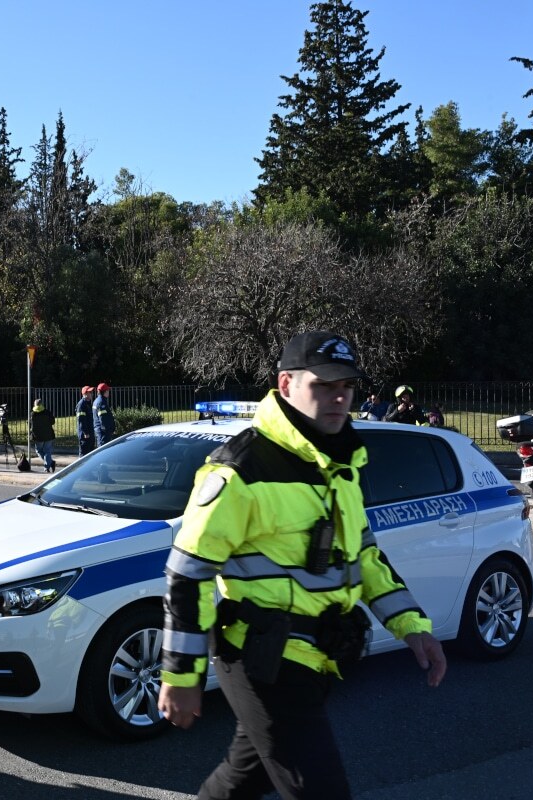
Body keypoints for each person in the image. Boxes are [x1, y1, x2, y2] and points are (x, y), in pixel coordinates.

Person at [158, 330, 447, 800]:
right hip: (263, 658)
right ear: (286, 383)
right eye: (324, 385)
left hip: (321, 655)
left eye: (348, 387)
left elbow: (365, 557)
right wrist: (181, 675)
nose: (339, 397)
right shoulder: (240, 469)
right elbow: (187, 574)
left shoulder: (341, 463)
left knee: (241, 778)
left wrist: (413, 626)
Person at [30, 398, 57, 473]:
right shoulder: (47, 412)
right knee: (47, 451)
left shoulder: (32, 414)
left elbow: (30, 425)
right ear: (42, 404)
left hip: (38, 436)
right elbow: (52, 421)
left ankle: (49, 465)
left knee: (39, 450)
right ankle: (49, 465)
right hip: (48, 435)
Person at [92, 382, 116, 446]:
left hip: (100, 431)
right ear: (105, 391)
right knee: (103, 451)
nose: (109, 392)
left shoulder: (97, 400)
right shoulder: (101, 402)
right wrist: (108, 431)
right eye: (108, 390)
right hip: (103, 433)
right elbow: (103, 419)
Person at [76, 386, 96, 456]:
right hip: (85, 435)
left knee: (90, 455)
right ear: (85, 394)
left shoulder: (88, 403)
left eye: (91, 392)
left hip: (90, 433)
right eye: (90, 392)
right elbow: (81, 420)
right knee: (84, 455)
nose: (92, 394)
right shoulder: (81, 405)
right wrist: (85, 432)